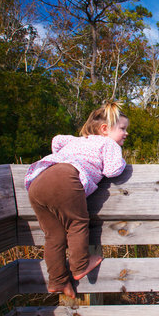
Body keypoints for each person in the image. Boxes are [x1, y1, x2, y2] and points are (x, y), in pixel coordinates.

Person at [25, 101, 129, 298]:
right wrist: (123, 161)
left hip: (38, 179)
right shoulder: (108, 143)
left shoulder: (77, 141)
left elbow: (57, 140)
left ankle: (57, 281)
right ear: (105, 129)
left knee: (53, 235)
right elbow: (113, 170)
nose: (126, 133)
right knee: (77, 222)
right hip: (65, 178)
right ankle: (80, 265)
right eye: (122, 128)